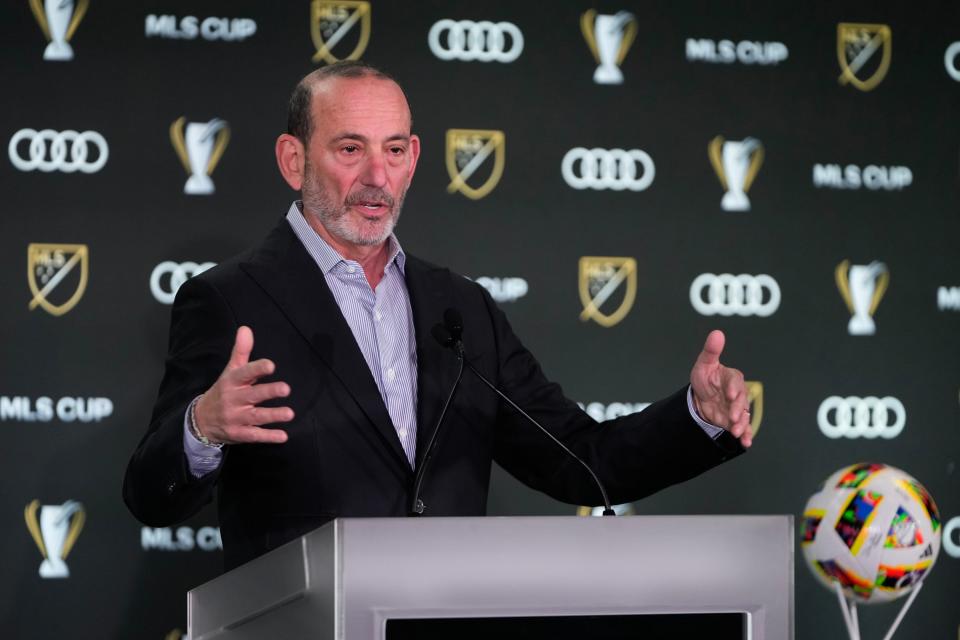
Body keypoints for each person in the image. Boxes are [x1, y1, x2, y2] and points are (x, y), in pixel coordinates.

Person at [123, 61, 753, 571]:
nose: (377, 176)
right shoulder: (231, 300)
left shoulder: (462, 307)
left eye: (394, 150)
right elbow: (149, 495)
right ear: (294, 160)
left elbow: (580, 458)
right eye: (350, 149)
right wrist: (201, 427)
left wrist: (696, 419)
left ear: (415, 157)